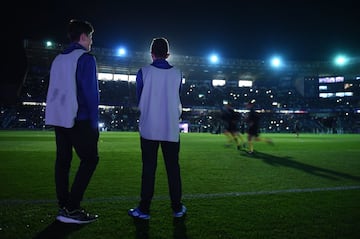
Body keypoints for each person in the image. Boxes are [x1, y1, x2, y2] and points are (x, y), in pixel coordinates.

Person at [45, 19, 100, 224]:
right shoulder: (85, 58)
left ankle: (63, 206)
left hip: (59, 118)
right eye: (91, 37)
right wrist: (94, 125)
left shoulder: (58, 59)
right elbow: (90, 94)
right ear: (84, 36)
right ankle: (72, 207)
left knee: (63, 162)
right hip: (79, 118)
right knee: (90, 159)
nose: (91, 42)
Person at [128, 37, 186, 220]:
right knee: (173, 169)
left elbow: (140, 98)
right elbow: (177, 96)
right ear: (168, 54)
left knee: (148, 169)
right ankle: (177, 208)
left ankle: (144, 209)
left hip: (149, 127)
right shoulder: (178, 73)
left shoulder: (143, 72)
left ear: (151, 54)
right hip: (170, 127)